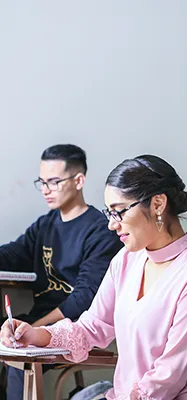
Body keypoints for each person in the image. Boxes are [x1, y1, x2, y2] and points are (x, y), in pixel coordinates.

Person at [1, 155, 187, 400]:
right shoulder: (126, 260)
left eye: (119, 212)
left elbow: (169, 375)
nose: (112, 225)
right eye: (109, 213)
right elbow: (91, 327)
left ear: (157, 204)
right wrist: (35, 334)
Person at [0, 144, 122, 400]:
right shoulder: (46, 224)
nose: (46, 190)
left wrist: (35, 328)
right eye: (42, 182)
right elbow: (13, 254)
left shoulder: (100, 230)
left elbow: (83, 299)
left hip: (77, 327)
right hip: (36, 321)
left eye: (54, 182)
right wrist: (30, 326)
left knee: (20, 362)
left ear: (79, 180)